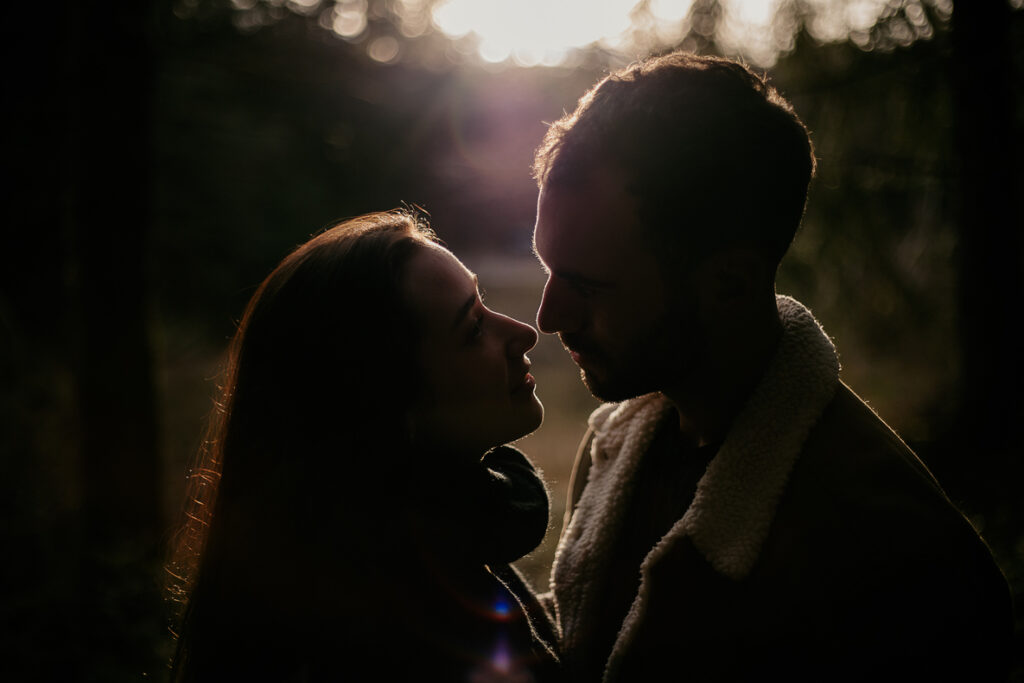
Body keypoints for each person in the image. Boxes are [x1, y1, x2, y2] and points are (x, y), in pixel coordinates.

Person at [531, 52, 1013, 682]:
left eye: (587, 285)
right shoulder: (616, 446)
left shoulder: (898, 553)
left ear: (729, 284)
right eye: (548, 269)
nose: (547, 316)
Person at [165, 210, 560, 681]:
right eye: (473, 328)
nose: (524, 332)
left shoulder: (425, 546)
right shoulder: (420, 634)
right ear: (389, 408)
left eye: (484, 302)